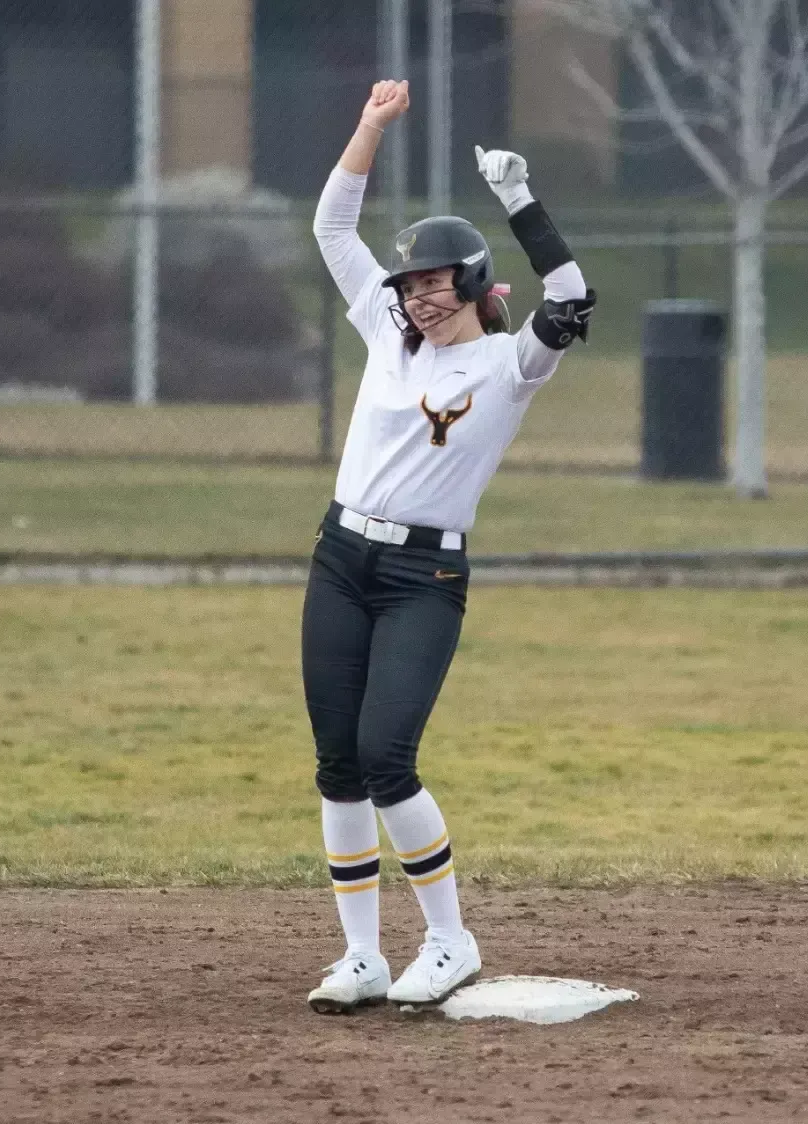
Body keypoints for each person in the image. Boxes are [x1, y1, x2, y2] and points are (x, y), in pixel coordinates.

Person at [303, 79, 595, 1014]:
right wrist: (370, 127)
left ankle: (450, 940)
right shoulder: (389, 336)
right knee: (338, 763)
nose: (418, 299)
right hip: (341, 557)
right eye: (411, 286)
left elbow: (574, 298)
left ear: (472, 283)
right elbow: (331, 232)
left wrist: (520, 201)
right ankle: (360, 959)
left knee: (388, 755)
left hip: (424, 573)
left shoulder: (511, 366)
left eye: (433, 283)